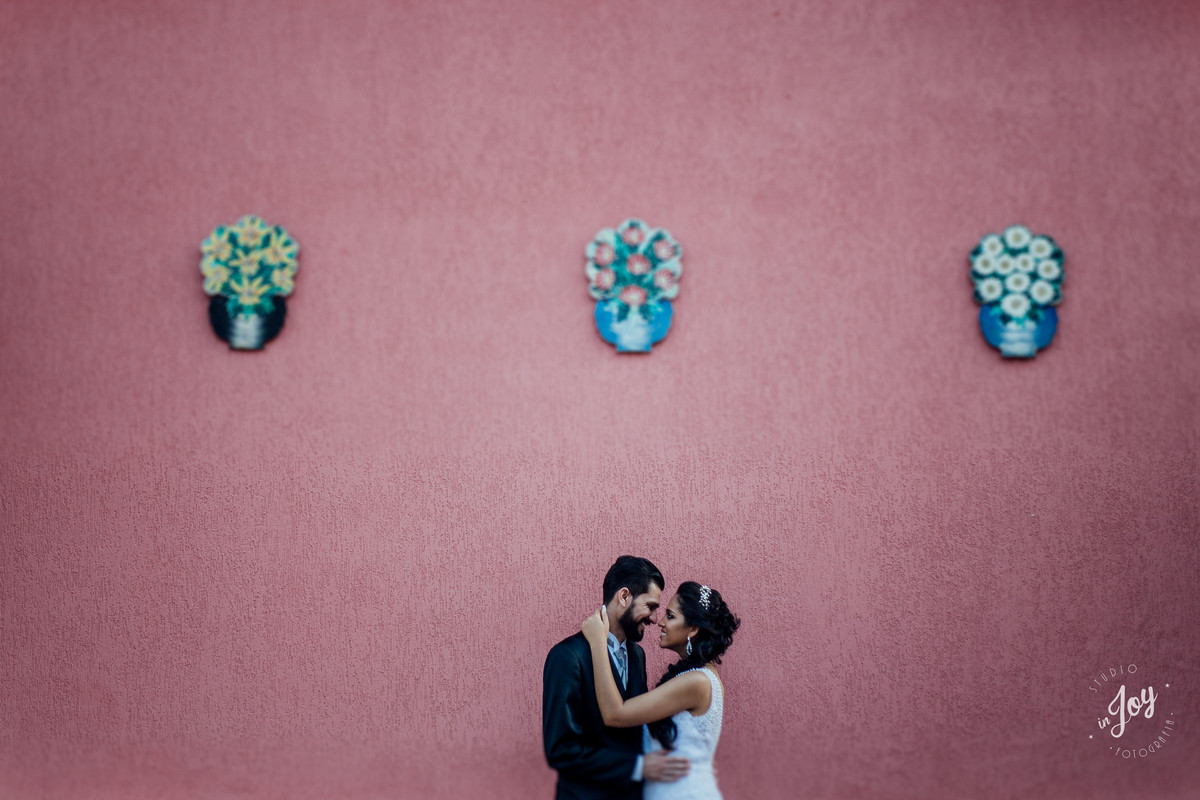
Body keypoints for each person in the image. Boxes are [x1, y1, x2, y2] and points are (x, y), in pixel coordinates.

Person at [543, 556, 691, 799]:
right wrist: (638, 767)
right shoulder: (567, 656)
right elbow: (561, 750)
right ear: (624, 597)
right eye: (651, 606)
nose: (655, 619)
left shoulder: (637, 655)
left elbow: (635, 727)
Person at [581, 581, 740, 800]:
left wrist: (598, 641)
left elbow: (615, 714)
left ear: (693, 629)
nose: (661, 622)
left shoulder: (697, 681)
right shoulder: (696, 677)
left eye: (671, 616)